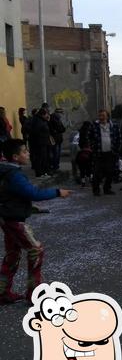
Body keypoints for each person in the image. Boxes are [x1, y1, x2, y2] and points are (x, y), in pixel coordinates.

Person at [0, 140, 71, 303]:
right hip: (13, 220)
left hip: (7, 217)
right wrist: (58, 192)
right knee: (36, 250)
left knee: (13, 254)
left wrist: (30, 208)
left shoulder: (5, 171)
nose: (28, 154)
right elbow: (32, 193)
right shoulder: (14, 175)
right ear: (15, 156)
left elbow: (11, 196)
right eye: (25, 152)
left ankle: (2, 292)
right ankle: (34, 294)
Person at [85, 110, 120, 196]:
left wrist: (117, 148)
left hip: (110, 153)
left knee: (110, 172)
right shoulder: (94, 126)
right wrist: (93, 146)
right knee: (97, 172)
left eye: (103, 115)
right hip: (98, 153)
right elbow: (88, 137)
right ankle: (96, 190)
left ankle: (107, 188)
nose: (101, 117)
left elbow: (118, 137)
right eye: (100, 115)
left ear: (107, 116)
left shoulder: (113, 126)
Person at [28, 110, 51, 178]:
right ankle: (40, 173)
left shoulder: (39, 119)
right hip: (40, 143)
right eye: (46, 114)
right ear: (43, 114)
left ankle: (43, 172)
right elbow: (37, 132)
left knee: (43, 158)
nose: (47, 116)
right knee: (40, 158)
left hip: (42, 142)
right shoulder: (38, 121)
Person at [48, 109, 66, 173]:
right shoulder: (55, 119)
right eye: (61, 113)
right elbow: (62, 129)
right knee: (56, 153)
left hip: (57, 139)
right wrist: (59, 130)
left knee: (56, 153)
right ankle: (55, 166)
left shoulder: (55, 118)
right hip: (56, 139)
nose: (61, 115)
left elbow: (62, 129)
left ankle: (55, 166)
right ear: (58, 113)